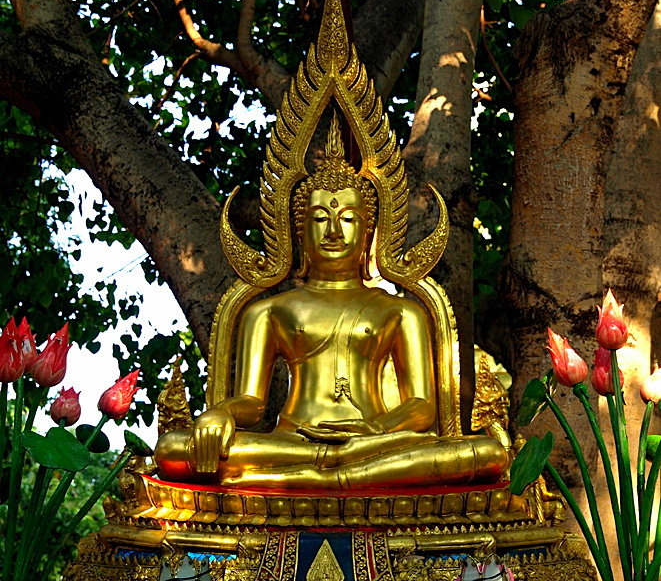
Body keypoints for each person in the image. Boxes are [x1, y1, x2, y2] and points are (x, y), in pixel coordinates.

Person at [155, 139, 508, 490]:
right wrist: (221, 413)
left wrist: (375, 429)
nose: (334, 231)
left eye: (348, 219)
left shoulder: (402, 311)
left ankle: (324, 473)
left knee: (487, 453)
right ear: (298, 231)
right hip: (293, 441)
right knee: (172, 449)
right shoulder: (268, 311)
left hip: (375, 441)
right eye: (320, 218)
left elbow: (421, 406)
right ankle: (338, 472)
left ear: (369, 232)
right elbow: (252, 404)